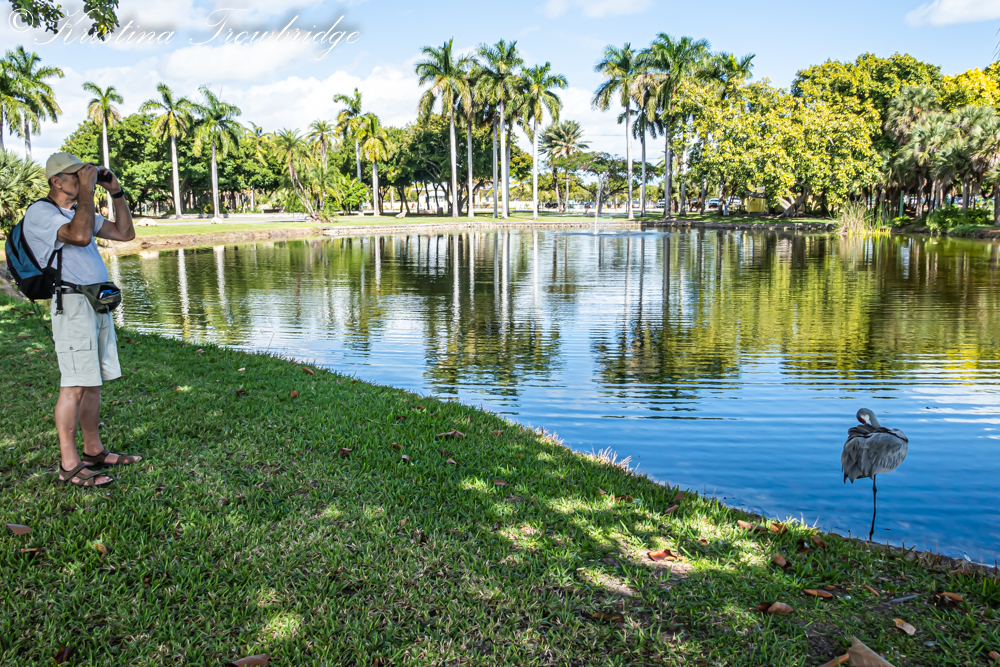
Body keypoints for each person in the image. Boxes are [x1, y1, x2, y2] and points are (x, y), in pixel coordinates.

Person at [23, 151, 142, 488]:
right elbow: (79, 236)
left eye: (84, 174)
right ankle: (69, 464)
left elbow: (125, 233)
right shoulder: (41, 213)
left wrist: (115, 192)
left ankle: (93, 451)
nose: (83, 179)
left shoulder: (79, 210)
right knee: (74, 384)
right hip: (72, 305)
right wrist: (89, 192)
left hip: (95, 302)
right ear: (56, 181)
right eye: (76, 175)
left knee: (92, 382)